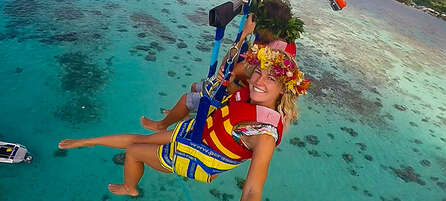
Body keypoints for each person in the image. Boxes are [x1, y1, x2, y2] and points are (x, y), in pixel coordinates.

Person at [58, 44, 310, 201]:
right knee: (140, 140)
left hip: (198, 157)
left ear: (283, 90)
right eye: (259, 72)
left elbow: (253, 190)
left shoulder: (264, 135)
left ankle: (130, 188)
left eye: (271, 79)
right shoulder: (247, 92)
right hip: (195, 134)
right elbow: (235, 70)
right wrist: (235, 57)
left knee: (133, 151)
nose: (259, 81)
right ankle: (87, 141)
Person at [140, 0, 303, 131]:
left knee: (186, 98)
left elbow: (229, 68)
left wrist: (244, 34)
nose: (257, 30)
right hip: (248, 89)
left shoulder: (272, 54)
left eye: (259, 25)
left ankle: (161, 125)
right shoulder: (282, 44)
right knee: (194, 86)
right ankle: (181, 115)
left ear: (268, 27)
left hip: (244, 95)